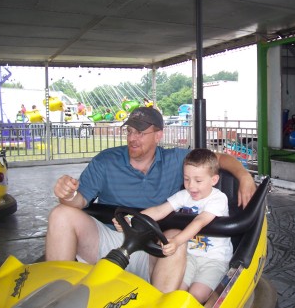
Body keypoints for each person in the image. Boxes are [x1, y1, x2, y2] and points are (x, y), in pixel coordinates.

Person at [46, 107, 256, 293]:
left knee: (175, 236)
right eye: (129, 131)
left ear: (158, 136)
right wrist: (69, 195)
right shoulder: (106, 160)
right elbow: (81, 201)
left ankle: (158, 299)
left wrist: (244, 176)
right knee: (61, 214)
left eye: (140, 133)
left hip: (152, 249)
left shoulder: (175, 160)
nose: (132, 138)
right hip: (108, 241)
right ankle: (56, 294)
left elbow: (216, 158)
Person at [114, 148, 232, 303]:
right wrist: (130, 219)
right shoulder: (185, 195)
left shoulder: (218, 199)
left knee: (197, 294)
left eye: (198, 181)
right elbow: (159, 210)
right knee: (178, 291)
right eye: (186, 179)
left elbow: (200, 221)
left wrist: (176, 241)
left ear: (214, 180)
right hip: (189, 255)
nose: (191, 186)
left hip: (214, 258)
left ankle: (215, 295)